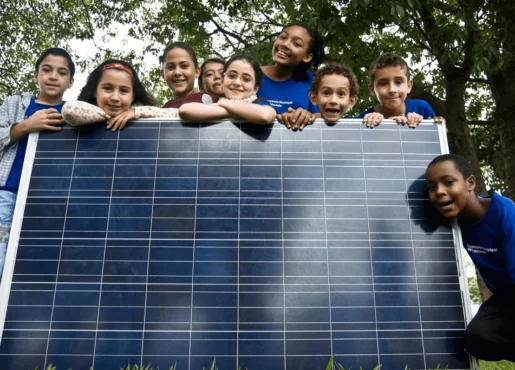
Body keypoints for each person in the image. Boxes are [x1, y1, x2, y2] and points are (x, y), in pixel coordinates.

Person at [425, 153, 515, 362]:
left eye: (448, 182)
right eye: (432, 187)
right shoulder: (454, 222)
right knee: (478, 338)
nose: (439, 192)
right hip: (506, 295)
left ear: (470, 183)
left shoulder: (505, 213)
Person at [0, 47, 75, 277]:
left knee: (32, 267)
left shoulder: (74, 114)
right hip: (8, 195)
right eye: (47, 70)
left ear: (70, 82)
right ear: (36, 76)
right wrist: (26, 126)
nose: (53, 76)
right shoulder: (16, 104)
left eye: (62, 73)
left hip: (48, 201)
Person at [62, 59, 178, 130]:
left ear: (132, 96)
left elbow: (176, 114)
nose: (115, 98)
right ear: (94, 91)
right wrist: (107, 117)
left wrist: (136, 113)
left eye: (123, 91)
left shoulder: (138, 111)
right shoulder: (85, 112)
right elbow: (70, 110)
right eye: (108, 88)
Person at [258, 23, 325, 130]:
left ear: (307, 57)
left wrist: (308, 116)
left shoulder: (313, 82)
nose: (285, 44)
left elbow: (327, 117)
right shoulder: (250, 74)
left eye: (296, 44)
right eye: (283, 37)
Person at [179, 55, 276, 125]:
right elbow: (185, 110)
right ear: (223, 79)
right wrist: (230, 109)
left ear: (255, 88)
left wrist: (224, 105)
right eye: (232, 76)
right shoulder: (216, 101)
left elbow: (264, 116)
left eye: (246, 79)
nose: (237, 83)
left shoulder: (261, 102)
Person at [360, 52, 436, 128]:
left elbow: (437, 136)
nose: (392, 90)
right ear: (372, 89)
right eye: (383, 83)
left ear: (409, 86)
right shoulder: (362, 121)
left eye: (398, 82)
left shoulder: (422, 109)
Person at [160, 42, 218, 108]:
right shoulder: (162, 111)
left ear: (197, 72)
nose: (177, 72)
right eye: (170, 67)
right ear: (163, 74)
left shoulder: (213, 101)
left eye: (184, 66)